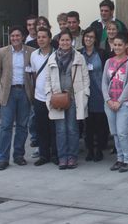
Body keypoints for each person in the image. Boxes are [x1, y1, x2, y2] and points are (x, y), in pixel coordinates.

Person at [44, 29, 90, 170]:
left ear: (72, 41)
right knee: (60, 130)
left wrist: (85, 94)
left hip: (74, 97)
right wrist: (49, 95)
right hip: (57, 98)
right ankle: (62, 157)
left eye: (67, 40)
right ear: (59, 41)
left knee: (72, 129)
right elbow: (47, 79)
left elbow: (85, 78)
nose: (65, 42)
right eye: (62, 40)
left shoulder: (79, 57)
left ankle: (72, 157)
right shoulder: (52, 58)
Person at [0, 26, 35, 170]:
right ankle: (3, 158)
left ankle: (18, 155)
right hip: (9, 93)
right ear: (10, 37)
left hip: (24, 92)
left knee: (23, 126)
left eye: (18, 35)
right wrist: (6, 84)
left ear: (22, 37)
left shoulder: (30, 52)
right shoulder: (2, 52)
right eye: (12, 36)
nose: (15, 38)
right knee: (6, 126)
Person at [102, 32, 128, 172]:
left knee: (123, 131)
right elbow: (104, 83)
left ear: (125, 45)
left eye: (120, 45)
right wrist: (108, 100)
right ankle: (120, 158)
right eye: (115, 44)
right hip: (110, 103)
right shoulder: (108, 62)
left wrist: (120, 101)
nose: (117, 47)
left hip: (125, 102)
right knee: (115, 132)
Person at [30, 27, 57, 166]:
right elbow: (34, 74)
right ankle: (43, 155)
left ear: (49, 39)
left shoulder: (56, 54)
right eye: (39, 37)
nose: (41, 39)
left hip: (54, 97)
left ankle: (55, 155)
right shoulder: (34, 55)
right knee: (41, 127)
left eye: (44, 37)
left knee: (54, 127)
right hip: (39, 97)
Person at [81, 28, 108, 162]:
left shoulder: (102, 53)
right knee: (88, 125)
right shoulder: (79, 53)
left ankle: (99, 151)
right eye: (86, 36)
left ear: (95, 39)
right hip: (85, 93)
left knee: (99, 124)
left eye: (91, 37)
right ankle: (90, 150)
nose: (88, 39)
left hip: (99, 93)